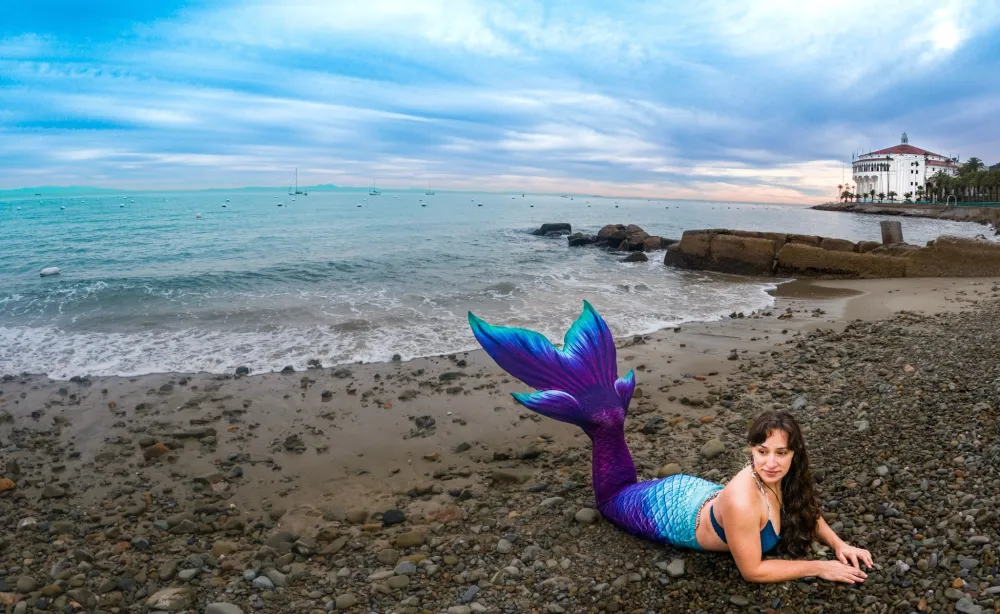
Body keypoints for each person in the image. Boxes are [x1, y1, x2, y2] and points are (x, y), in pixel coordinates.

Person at [468, 301, 874, 584]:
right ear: (750, 451)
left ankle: (606, 413)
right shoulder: (742, 499)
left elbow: (806, 511)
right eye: (761, 452)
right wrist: (819, 567)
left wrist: (839, 545)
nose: (771, 462)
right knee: (611, 496)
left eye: (781, 453)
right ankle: (602, 417)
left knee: (610, 425)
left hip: (694, 492)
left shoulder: (783, 478)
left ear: (793, 454)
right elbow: (753, 571)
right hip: (669, 512)